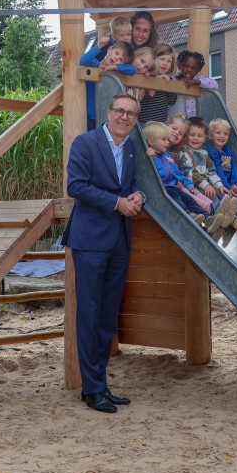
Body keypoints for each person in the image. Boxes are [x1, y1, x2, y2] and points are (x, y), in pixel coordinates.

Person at [61, 93, 145, 414]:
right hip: (91, 241)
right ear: (108, 112)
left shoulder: (132, 148)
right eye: (120, 111)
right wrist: (116, 202)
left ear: (135, 119)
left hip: (120, 241)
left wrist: (137, 195)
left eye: (131, 114)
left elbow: (132, 183)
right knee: (90, 315)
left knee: (108, 317)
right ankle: (92, 388)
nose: (125, 117)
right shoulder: (86, 143)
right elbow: (76, 186)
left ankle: (99, 386)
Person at [143, 121, 230, 234]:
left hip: (175, 186)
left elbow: (178, 173)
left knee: (190, 200)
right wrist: (149, 156)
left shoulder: (167, 157)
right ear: (151, 141)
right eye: (163, 140)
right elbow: (148, 172)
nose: (167, 142)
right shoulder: (150, 157)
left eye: (167, 139)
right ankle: (190, 216)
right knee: (180, 202)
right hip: (165, 188)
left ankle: (207, 219)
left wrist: (188, 184)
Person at [80, 41, 136, 131]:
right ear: (109, 49)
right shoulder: (94, 64)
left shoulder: (116, 72)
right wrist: (99, 46)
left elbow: (133, 69)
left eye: (121, 60)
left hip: (104, 118)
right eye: (116, 53)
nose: (117, 58)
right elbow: (83, 60)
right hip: (86, 115)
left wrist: (115, 67)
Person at [169, 50, 218, 119]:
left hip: (191, 121)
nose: (189, 70)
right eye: (186, 66)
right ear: (180, 66)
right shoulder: (173, 79)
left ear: (199, 70)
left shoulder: (198, 79)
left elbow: (215, 84)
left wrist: (197, 82)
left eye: (193, 68)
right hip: (174, 121)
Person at [137, 43, 178, 123]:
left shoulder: (169, 80)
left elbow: (172, 101)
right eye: (162, 59)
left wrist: (168, 84)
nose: (165, 63)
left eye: (169, 61)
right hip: (143, 122)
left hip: (160, 124)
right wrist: (156, 81)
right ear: (154, 59)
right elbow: (147, 97)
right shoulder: (146, 75)